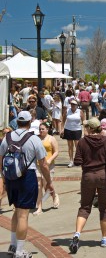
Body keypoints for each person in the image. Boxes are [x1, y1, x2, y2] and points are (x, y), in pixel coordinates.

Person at [0, 111, 54, 258]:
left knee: (16, 211)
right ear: (30, 122)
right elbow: (43, 164)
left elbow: (0, 159)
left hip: (11, 177)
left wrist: (3, 178)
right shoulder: (34, 139)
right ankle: (19, 251)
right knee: (23, 214)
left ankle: (13, 244)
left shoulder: (7, 137)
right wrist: (49, 182)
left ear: (17, 121)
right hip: (27, 177)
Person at [69, 117, 106, 254]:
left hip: (88, 176)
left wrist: (86, 161)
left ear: (90, 128)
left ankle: (77, 235)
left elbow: (77, 161)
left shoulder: (82, 142)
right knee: (104, 206)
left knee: (85, 206)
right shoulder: (105, 141)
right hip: (103, 176)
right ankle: (105, 238)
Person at [33, 122, 59, 216]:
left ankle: (54, 195)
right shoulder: (36, 138)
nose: (41, 131)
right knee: (39, 186)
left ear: (47, 129)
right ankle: (39, 207)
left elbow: (56, 152)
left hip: (49, 165)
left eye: (43, 129)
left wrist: (50, 160)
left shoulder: (51, 139)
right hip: (38, 165)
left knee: (47, 185)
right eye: (40, 129)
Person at [61, 99, 84, 168]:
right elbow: (63, 120)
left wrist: (86, 130)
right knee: (70, 146)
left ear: (77, 105)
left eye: (74, 104)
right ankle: (71, 161)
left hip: (77, 129)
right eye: (71, 104)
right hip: (68, 129)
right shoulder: (67, 111)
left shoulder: (80, 111)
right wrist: (62, 129)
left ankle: (78, 160)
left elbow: (84, 121)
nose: (72, 105)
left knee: (77, 146)